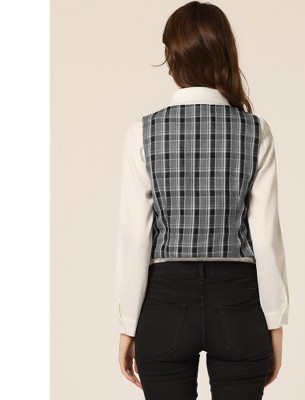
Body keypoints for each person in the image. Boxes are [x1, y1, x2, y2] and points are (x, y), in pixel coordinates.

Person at [115, 2, 289, 399]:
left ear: (171, 57)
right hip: (239, 305)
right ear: (226, 52)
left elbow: (137, 239)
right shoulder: (256, 131)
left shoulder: (142, 133)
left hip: (165, 305)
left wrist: (127, 325)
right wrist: (275, 324)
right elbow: (265, 239)